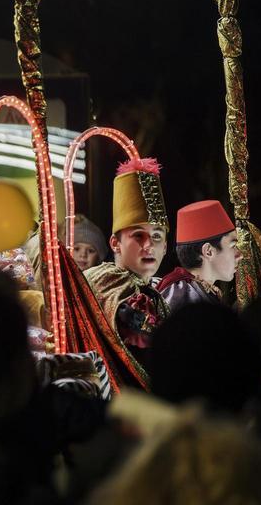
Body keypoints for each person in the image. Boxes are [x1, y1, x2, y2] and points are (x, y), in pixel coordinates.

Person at [84, 158, 171, 369]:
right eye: (138, 236)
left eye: (157, 237)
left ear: (166, 247)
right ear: (115, 243)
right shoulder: (105, 279)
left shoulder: (153, 289)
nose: (149, 245)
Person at [156, 200, 240, 311]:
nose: (240, 255)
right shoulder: (181, 294)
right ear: (208, 251)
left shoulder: (200, 290)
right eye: (233, 246)